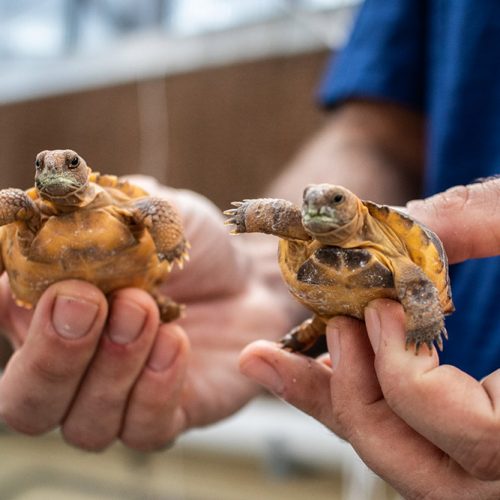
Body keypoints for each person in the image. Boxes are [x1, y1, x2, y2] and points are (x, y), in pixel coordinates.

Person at [241, 178, 500, 498]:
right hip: (338, 311)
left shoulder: (389, 239)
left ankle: (319, 329)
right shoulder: (304, 229)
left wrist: (424, 322)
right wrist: (250, 231)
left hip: (459, 363)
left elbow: (414, 278)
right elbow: (376, 134)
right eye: (310, 201)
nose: (319, 207)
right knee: (332, 327)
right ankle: (312, 328)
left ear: (353, 208)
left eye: (336, 200)